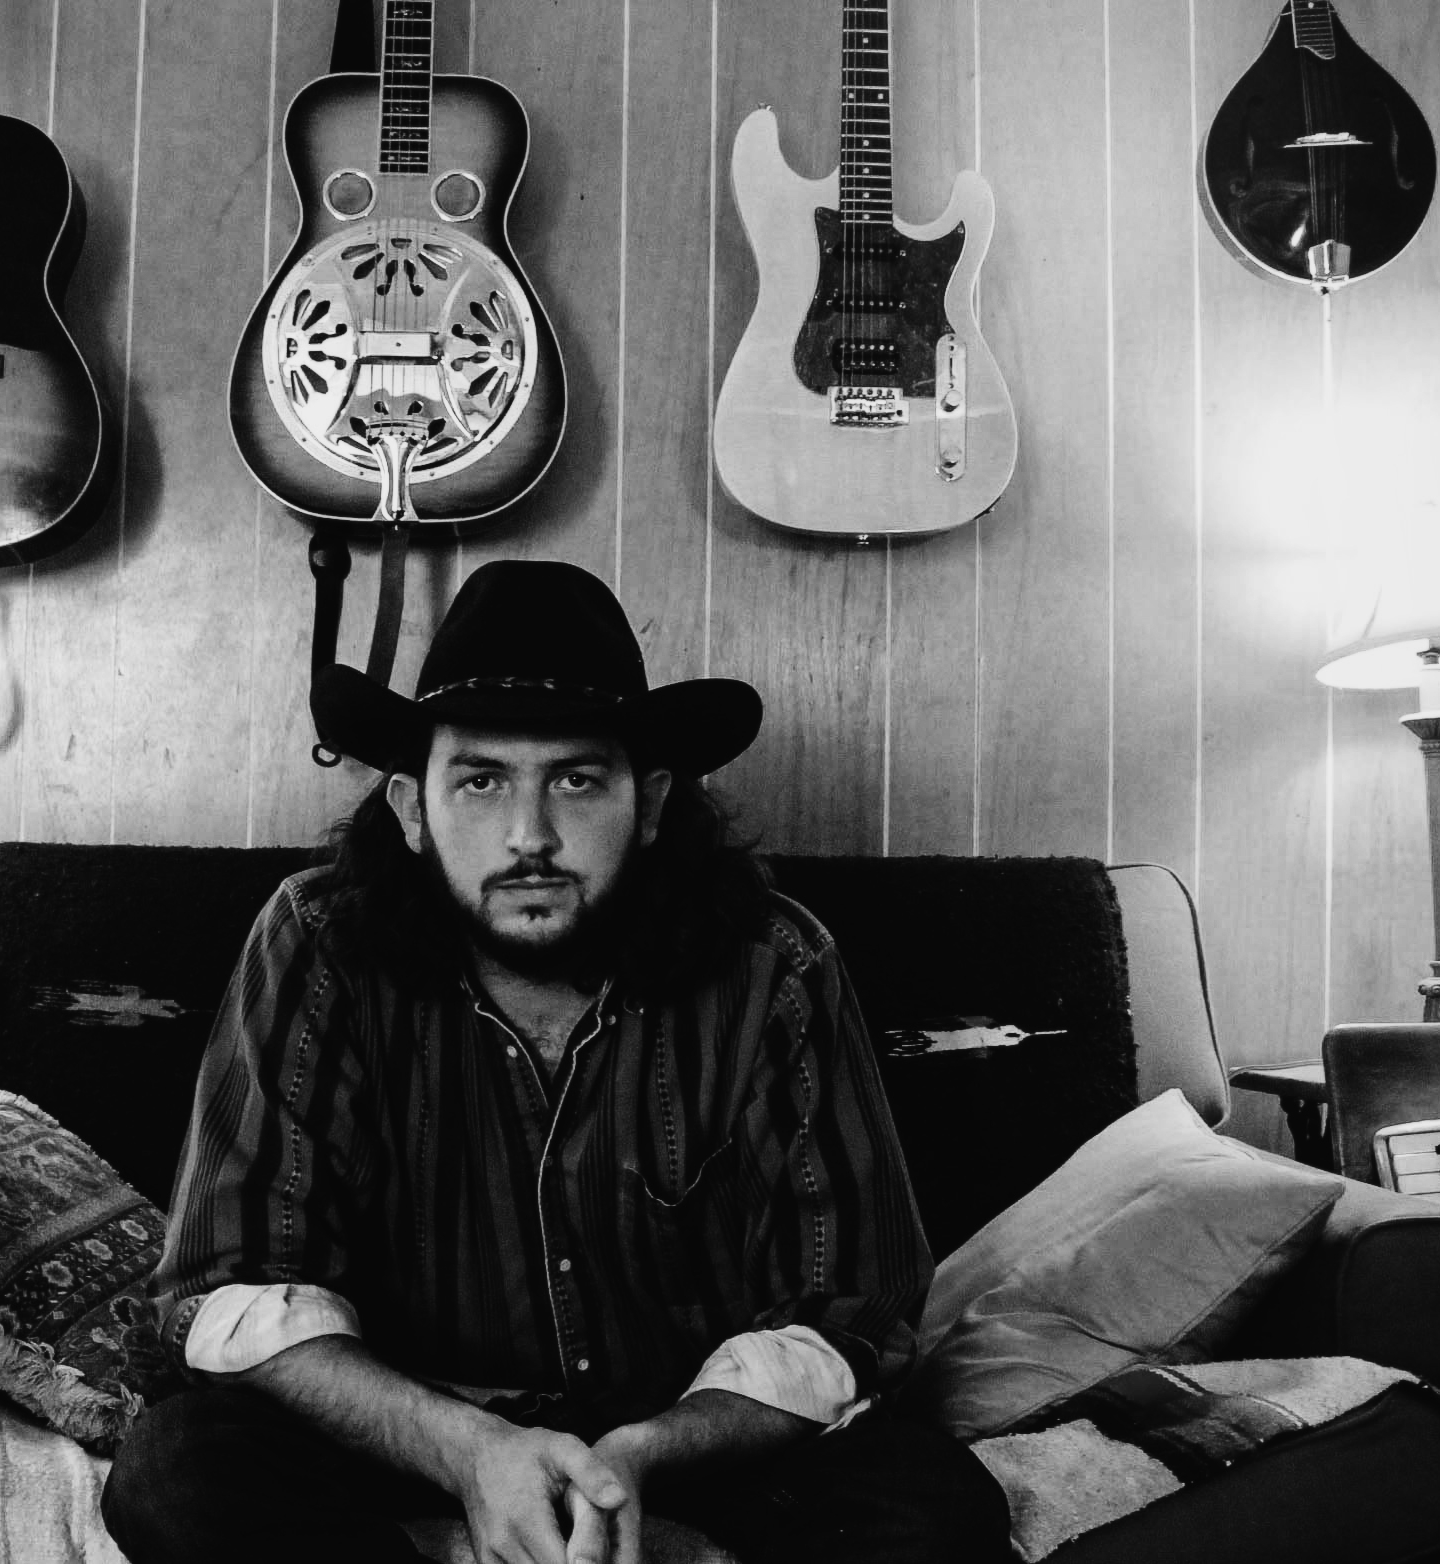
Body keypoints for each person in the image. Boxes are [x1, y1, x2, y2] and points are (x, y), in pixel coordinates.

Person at [102, 562, 1009, 1564]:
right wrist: (467, 1451)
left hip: (687, 1432)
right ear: (410, 808)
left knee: (932, 1508)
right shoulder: (317, 943)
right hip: (401, 1426)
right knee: (172, 1474)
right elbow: (228, 1283)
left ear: (649, 804)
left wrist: (639, 1457)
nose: (528, 836)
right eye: (480, 780)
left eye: (575, 780)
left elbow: (851, 1307)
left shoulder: (774, 963)